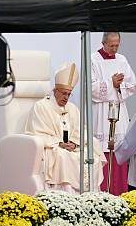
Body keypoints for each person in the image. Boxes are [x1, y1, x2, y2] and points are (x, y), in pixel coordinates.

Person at [25, 63, 105, 193]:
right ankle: (68, 195)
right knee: (63, 156)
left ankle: (90, 196)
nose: (66, 97)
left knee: (92, 152)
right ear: (55, 90)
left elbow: (81, 130)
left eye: (69, 94)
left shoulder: (72, 108)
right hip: (53, 147)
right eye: (63, 93)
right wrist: (59, 143)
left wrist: (74, 143)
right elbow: (36, 133)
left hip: (70, 147)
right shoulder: (41, 107)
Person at [91, 32, 136, 195]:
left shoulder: (122, 60)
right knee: (102, 154)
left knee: (118, 155)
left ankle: (119, 193)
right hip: (101, 113)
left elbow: (131, 85)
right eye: (111, 45)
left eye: (117, 45)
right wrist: (111, 83)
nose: (114, 48)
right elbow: (90, 87)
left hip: (118, 110)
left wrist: (118, 86)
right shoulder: (93, 60)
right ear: (103, 43)